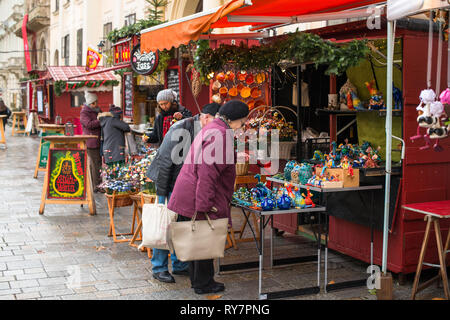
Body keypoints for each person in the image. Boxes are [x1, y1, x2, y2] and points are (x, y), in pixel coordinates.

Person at [167, 100, 249, 294]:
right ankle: (204, 284)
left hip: (191, 191)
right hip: (197, 194)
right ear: (234, 119)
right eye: (243, 122)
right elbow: (208, 172)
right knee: (204, 238)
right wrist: (204, 203)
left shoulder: (214, 128)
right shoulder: (220, 134)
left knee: (198, 239)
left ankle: (199, 281)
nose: (243, 126)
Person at [146, 102, 221, 284]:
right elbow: (165, 162)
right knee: (165, 223)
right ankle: (159, 268)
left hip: (185, 183)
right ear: (205, 117)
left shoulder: (208, 131)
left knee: (182, 224)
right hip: (168, 181)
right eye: (215, 122)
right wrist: (162, 196)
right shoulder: (182, 128)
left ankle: (179, 264)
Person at [80, 92, 102, 192]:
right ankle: (96, 186)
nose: (96, 104)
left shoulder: (96, 110)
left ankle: (96, 184)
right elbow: (89, 124)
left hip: (98, 139)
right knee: (95, 164)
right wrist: (99, 120)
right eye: (94, 102)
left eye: (96, 102)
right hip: (91, 141)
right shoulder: (84, 112)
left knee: (97, 163)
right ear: (90, 103)